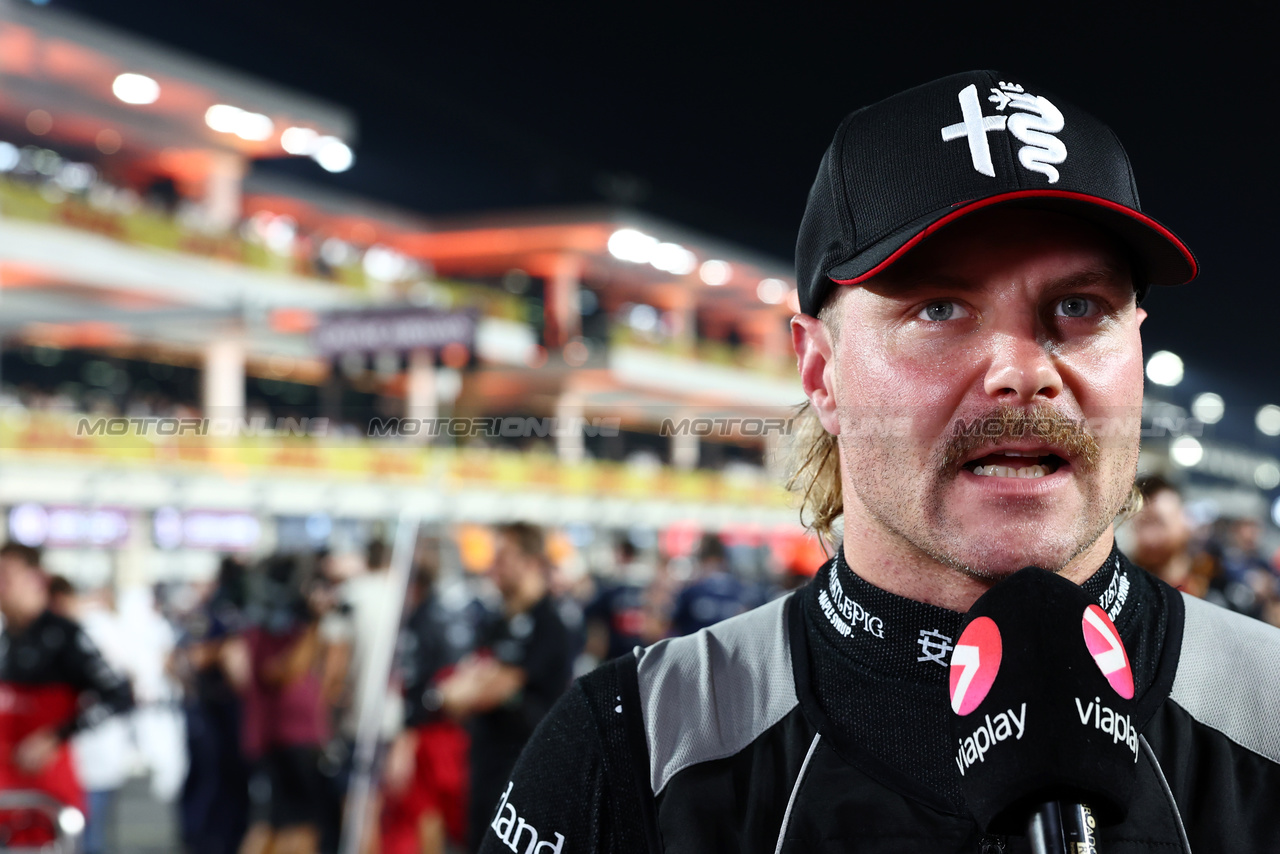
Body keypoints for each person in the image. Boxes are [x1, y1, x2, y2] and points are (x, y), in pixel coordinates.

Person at [476, 71, 1280, 852]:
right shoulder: (637, 743)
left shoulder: (1268, 706)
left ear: (1135, 349)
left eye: (1078, 307)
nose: (1021, 369)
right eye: (939, 308)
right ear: (820, 372)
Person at [438, 523, 572, 852]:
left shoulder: (550, 624)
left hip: (526, 778)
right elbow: (463, 685)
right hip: (486, 764)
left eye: (503, 556)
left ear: (530, 562)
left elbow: (490, 687)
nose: (493, 566)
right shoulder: (496, 622)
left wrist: (477, 687)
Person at [0, 543, 134, 841]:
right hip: (7, 795)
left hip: (49, 799)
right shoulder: (6, 638)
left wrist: (55, 736)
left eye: (7, 575)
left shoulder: (64, 635)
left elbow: (119, 695)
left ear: (35, 578)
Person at [1127, 475, 1216, 597]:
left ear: (1185, 522)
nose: (1148, 536)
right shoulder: (1125, 589)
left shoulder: (1211, 586)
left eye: (1158, 522)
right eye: (1141, 524)